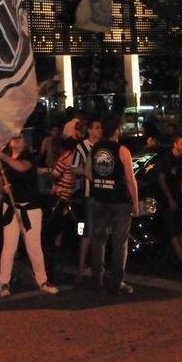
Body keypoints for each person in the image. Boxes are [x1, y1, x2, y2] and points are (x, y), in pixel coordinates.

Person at [0, 134, 58, 298]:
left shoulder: (29, 157)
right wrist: (4, 189)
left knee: (33, 247)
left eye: (20, 138)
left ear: (24, 142)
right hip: (11, 206)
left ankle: (42, 280)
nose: (17, 140)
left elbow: (21, 167)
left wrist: (1, 156)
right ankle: (3, 283)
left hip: (30, 208)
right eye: (14, 138)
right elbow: (0, 184)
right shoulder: (4, 160)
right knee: (9, 246)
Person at [88, 116, 139, 294]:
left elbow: (88, 171)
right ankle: (117, 281)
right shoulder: (122, 150)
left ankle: (97, 279)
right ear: (117, 130)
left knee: (98, 241)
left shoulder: (95, 148)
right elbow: (130, 179)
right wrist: (135, 202)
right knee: (119, 243)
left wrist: (100, 182)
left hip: (99, 199)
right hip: (119, 200)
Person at [71, 116, 103, 283]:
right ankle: (81, 267)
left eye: (100, 127)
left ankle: (96, 265)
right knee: (86, 231)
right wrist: (87, 173)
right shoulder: (82, 147)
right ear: (89, 130)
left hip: (103, 194)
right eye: (97, 127)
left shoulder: (104, 146)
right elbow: (74, 168)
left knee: (100, 231)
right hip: (89, 195)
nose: (100, 130)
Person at [156, 133, 182, 267]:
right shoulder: (166, 159)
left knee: (181, 227)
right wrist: (169, 198)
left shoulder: (181, 160)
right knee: (173, 230)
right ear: (175, 144)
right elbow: (162, 179)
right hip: (168, 199)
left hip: (178, 196)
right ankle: (180, 257)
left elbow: (181, 181)